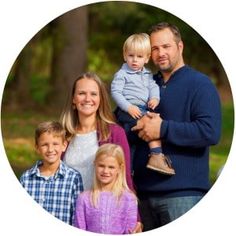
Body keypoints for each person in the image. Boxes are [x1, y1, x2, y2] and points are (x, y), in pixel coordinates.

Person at [131, 22, 222, 230]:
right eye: (154, 48)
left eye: (166, 46)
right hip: (143, 196)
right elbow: (124, 125)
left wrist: (163, 129)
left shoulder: (200, 84)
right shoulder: (143, 84)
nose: (160, 53)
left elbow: (210, 132)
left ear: (180, 47)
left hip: (183, 196)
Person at [60, 72, 142, 233]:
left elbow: (125, 178)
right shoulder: (63, 135)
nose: (87, 98)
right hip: (66, 214)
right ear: (73, 100)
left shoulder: (114, 133)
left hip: (101, 218)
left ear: (100, 99)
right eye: (82, 93)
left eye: (93, 94)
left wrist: (136, 218)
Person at [111, 33, 175, 175]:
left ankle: (129, 171)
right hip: (127, 110)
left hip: (142, 109)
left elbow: (153, 87)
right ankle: (156, 156)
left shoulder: (147, 75)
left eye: (139, 57)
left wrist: (155, 99)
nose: (134, 60)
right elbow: (116, 92)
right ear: (124, 55)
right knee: (149, 125)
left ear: (146, 58)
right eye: (131, 55)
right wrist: (128, 107)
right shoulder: (122, 74)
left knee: (131, 144)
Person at [20, 121, 84, 225]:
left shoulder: (73, 178)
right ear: (37, 148)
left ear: (64, 146)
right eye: (45, 145)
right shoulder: (26, 179)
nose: (50, 149)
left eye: (55, 144)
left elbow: (76, 218)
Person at [74, 143, 138, 234]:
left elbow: (130, 231)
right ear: (95, 165)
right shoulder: (84, 198)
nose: (105, 171)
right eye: (101, 166)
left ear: (120, 168)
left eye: (111, 167)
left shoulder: (129, 199)